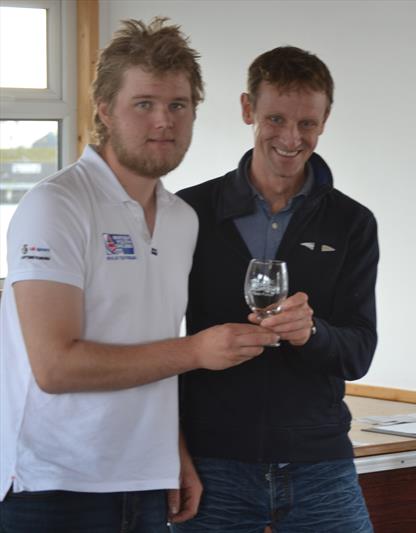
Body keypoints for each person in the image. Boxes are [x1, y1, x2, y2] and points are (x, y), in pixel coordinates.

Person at [0, 18, 278, 532]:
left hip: (147, 487)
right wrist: (197, 351)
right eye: (144, 104)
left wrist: (171, 452)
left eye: (179, 105)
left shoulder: (182, 219)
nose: (164, 122)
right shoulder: (56, 205)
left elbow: (150, 345)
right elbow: (55, 367)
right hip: (54, 489)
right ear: (104, 109)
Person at [174, 46, 379, 532]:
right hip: (213, 465)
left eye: (307, 123)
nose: (291, 138)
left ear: (326, 119)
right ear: (248, 109)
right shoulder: (188, 213)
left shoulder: (352, 222)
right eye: (275, 118)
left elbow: (359, 353)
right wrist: (173, 450)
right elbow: (154, 341)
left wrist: (313, 334)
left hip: (320, 465)